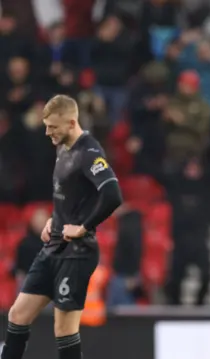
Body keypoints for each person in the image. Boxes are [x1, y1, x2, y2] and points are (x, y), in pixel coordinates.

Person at [1, 94, 123, 359]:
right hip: (53, 246)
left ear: (71, 123)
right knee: (18, 314)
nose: (48, 132)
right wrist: (55, 219)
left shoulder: (89, 152)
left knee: (64, 329)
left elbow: (113, 194)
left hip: (77, 252)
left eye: (53, 127)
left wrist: (83, 227)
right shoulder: (63, 147)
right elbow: (72, 194)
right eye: (46, 126)